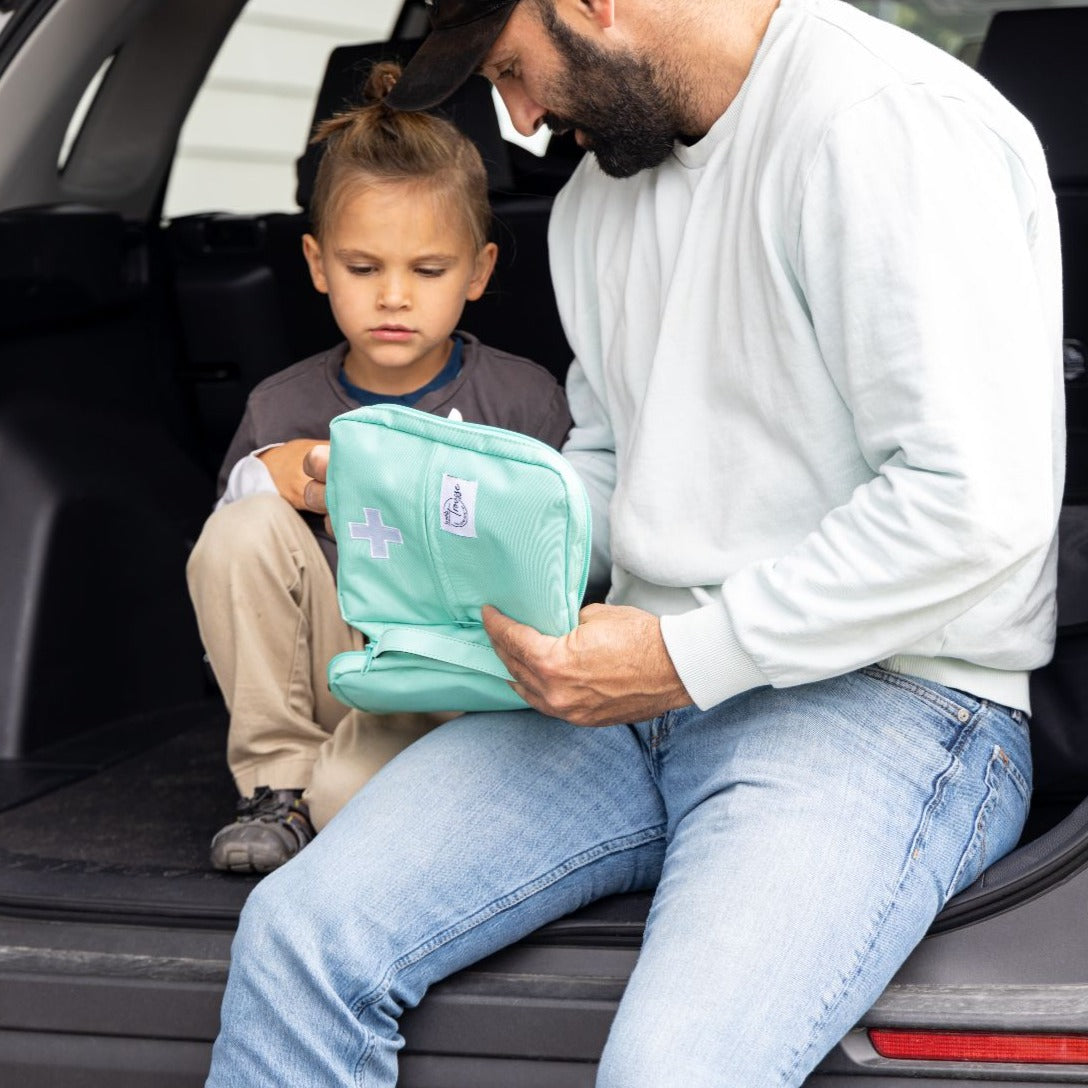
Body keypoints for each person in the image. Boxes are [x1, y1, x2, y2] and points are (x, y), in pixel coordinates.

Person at [205, 0, 1063, 1083]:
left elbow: (968, 506)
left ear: (592, 7)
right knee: (295, 940)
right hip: (627, 694)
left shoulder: (883, 125)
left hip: (888, 697)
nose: (515, 117)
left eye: (514, 69)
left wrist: (673, 659)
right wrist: (441, 492)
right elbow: (615, 465)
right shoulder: (599, 196)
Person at [186, 60, 572, 875]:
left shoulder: (523, 400)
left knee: (355, 808)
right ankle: (279, 783)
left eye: (427, 271)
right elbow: (235, 561)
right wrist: (276, 472)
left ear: (479, 271)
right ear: (319, 264)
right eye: (363, 269)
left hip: (468, 680)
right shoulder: (281, 406)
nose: (394, 296)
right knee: (240, 524)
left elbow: (566, 559)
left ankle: (392, 787)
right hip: (341, 667)